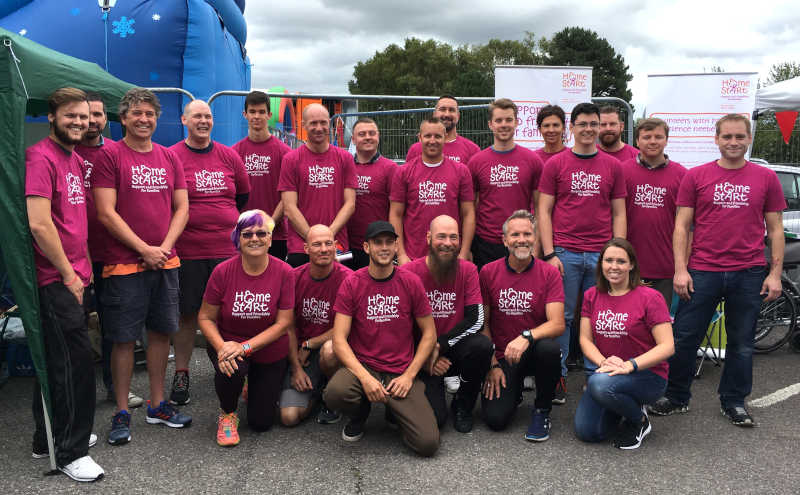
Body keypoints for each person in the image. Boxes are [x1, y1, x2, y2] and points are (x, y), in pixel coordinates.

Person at [648, 114, 785, 427]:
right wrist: (680, 270)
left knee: (742, 342)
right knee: (683, 338)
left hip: (748, 272)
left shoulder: (765, 178)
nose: (733, 142)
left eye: (739, 137)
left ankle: (734, 401)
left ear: (749, 139)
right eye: (727, 137)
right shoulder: (696, 176)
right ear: (717, 139)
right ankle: (677, 397)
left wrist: (774, 274)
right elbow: (681, 227)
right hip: (702, 271)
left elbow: (775, 229)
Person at [92, 88, 191, 446]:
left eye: (149, 113)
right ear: (124, 118)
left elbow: (182, 208)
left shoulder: (168, 157)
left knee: (161, 334)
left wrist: (162, 249)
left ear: (157, 117)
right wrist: (143, 249)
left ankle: (157, 403)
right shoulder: (110, 156)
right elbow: (106, 212)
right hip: (123, 265)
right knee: (121, 340)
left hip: (166, 261)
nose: (144, 119)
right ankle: (121, 410)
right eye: (136, 113)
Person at [26, 87, 104, 482]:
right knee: (74, 365)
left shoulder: (71, 158)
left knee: (59, 359)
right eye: (71, 115)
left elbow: (73, 222)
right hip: (56, 278)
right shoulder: (41, 158)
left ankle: (49, 438)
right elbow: (40, 224)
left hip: (76, 274)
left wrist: (84, 267)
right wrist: (70, 275)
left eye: (85, 116)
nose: (79, 122)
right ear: (52, 116)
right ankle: (71, 451)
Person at [323, 221, 440, 457]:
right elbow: (339, 339)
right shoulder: (353, 283)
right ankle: (359, 413)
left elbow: (429, 333)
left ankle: (394, 410)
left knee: (428, 444)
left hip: (400, 370)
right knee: (335, 393)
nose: (384, 248)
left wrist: (409, 376)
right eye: (378, 243)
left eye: (389, 242)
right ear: (366, 247)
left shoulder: (410, 282)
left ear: (397, 246)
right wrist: (365, 379)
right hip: (365, 366)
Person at [537, 102, 627, 403]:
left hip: (602, 255)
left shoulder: (613, 166)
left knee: (600, 317)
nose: (589, 129)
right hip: (565, 252)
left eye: (594, 124)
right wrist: (549, 254)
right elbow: (545, 210)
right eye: (583, 124)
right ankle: (558, 376)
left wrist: (618, 254)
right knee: (562, 316)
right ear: (571, 127)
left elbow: (619, 213)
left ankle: (596, 376)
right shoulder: (555, 164)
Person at [168, 99, 250, 406]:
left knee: (232, 313)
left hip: (227, 252)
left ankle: (237, 370)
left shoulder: (228, 156)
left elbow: (242, 196)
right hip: (188, 250)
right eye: (197, 116)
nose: (203, 121)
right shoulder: (172, 156)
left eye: (208, 116)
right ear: (184, 120)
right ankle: (182, 372)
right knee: (188, 314)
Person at [198, 210, 295, 446]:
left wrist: (245, 347)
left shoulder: (285, 272)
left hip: (268, 349)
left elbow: (283, 324)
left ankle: (251, 383)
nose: (255, 238)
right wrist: (223, 347)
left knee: (261, 423)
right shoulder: (222, 272)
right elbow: (205, 318)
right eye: (247, 234)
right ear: (237, 239)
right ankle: (228, 413)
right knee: (231, 367)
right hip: (229, 342)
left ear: (271, 239)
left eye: (262, 233)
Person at [75, 91, 144, 410]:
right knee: (77, 326)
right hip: (75, 255)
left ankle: (113, 387)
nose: (91, 121)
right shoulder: (67, 153)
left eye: (98, 115)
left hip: (113, 253)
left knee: (113, 326)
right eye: (86, 115)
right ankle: (78, 393)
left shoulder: (117, 153)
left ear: (107, 119)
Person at [574, 238, 674, 450]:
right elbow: (584, 338)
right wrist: (603, 362)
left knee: (599, 385)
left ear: (631, 265)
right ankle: (622, 403)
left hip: (647, 375)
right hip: (608, 372)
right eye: (609, 260)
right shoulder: (592, 295)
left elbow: (667, 346)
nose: (614, 266)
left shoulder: (650, 297)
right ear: (601, 264)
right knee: (588, 432)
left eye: (621, 261)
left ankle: (639, 420)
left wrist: (629, 365)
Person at [400, 215, 492, 432]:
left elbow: (476, 320)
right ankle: (429, 388)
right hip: (422, 354)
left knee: (482, 346)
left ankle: (463, 404)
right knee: (436, 419)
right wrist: (425, 356)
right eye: (441, 237)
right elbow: (400, 326)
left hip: (450, 347)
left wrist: (439, 346)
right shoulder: (409, 272)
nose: (448, 243)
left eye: (453, 237)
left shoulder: (468, 270)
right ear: (429, 238)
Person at [480, 210, 565, 441]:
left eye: (527, 234)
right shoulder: (488, 272)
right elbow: (483, 324)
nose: (522, 239)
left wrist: (526, 336)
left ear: (535, 238)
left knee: (550, 348)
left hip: (535, 351)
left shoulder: (549, 273)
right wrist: (492, 364)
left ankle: (542, 409)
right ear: (504, 240)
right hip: (503, 356)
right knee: (496, 420)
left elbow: (557, 324)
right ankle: (514, 391)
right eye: (515, 234)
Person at [279, 225, 351, 426]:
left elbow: (344, 327)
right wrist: (295, 368)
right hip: (302, 355)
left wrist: (310, 344)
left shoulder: (347, 279)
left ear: (336, 247)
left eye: (329, 243)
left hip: (332, 350)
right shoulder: (294, 277)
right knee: (289, 417)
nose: (324, 249)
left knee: (330, 350)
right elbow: (288, 325)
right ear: (305, 249)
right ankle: (317, 394)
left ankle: (333, 396)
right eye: (317, 244)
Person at [278, 103, 357, 267]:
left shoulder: (345, 158)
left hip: (337, 244)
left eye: (323, 122)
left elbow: (350, 203)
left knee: (340, 291)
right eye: (313, 123)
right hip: (301, 247)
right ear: (304, 125)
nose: (319, 128)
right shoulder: (291, 160)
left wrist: (327, 238)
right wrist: (313, 239)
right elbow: (289, 207)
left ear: (329, 123)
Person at [469, 98, 543, 269]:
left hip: (521, 241)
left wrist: (536, 243)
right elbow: (471, 208)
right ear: (490, 124)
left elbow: (540, 208)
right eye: (499, 120)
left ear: (517, 122)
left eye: (509, 120)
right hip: (486, 243)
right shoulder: (476, 162)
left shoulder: (533, 161)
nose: (504, 124)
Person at [390, 118, 475, 264]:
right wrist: (401, 254)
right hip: (414, 256)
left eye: (437, 136)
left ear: (445, 137)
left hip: (450, 255)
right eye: (428, 136)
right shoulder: (404, 172)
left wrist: (464, 252)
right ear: (420, 138)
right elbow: (396, 214)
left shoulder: (461, 171)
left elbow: (468, 214)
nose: (432, 140)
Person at [622, 118, 686, 305]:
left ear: (666, 140)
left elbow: (688, 225)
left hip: (665, 266)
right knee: (627, 320)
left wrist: (684, 264)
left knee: (659, 322)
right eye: (647, 137)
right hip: (628, 263)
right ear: (637, 141)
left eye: (658, 137)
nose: (652, 141)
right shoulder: (622, 171)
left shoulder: (682, 175)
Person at [232, 91, 293, 261]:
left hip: (276, 235)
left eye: (261, 112)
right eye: (252, 112)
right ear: (245, 114)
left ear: (269, 115)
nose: (256, 116)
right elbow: (231, 196)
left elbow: (287, 196)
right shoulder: (234, 153)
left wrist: (269, 225)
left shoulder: (285, 153)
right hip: (244, 234)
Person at [347, 118, 396, 269]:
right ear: (353, 139)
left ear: (378, 136)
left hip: (378, 246)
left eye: (372, 133)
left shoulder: (391, 169)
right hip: (347, 246)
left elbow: (397, 211)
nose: (368, 137)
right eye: (362, 134)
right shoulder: (345, 166)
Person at [405, 95, 480, 165]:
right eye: (442, 109)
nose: (447, 114)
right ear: (434, 114)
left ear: (458, 115)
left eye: (451, 110)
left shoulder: (472, 150)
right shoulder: (416, 149)